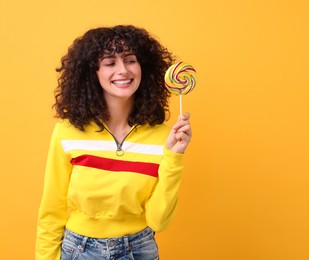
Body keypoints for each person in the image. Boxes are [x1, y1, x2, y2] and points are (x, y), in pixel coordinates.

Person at [36, 25, 192, 260]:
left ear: (143, 67)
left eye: (130, 60)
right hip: (80, 250)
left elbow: (158, 221)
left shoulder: (164, 138)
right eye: (110, 63)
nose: (123, 70)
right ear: (93, 73)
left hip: (140, 249)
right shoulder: (67, 133)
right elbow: (51, 211)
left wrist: (174, 156)